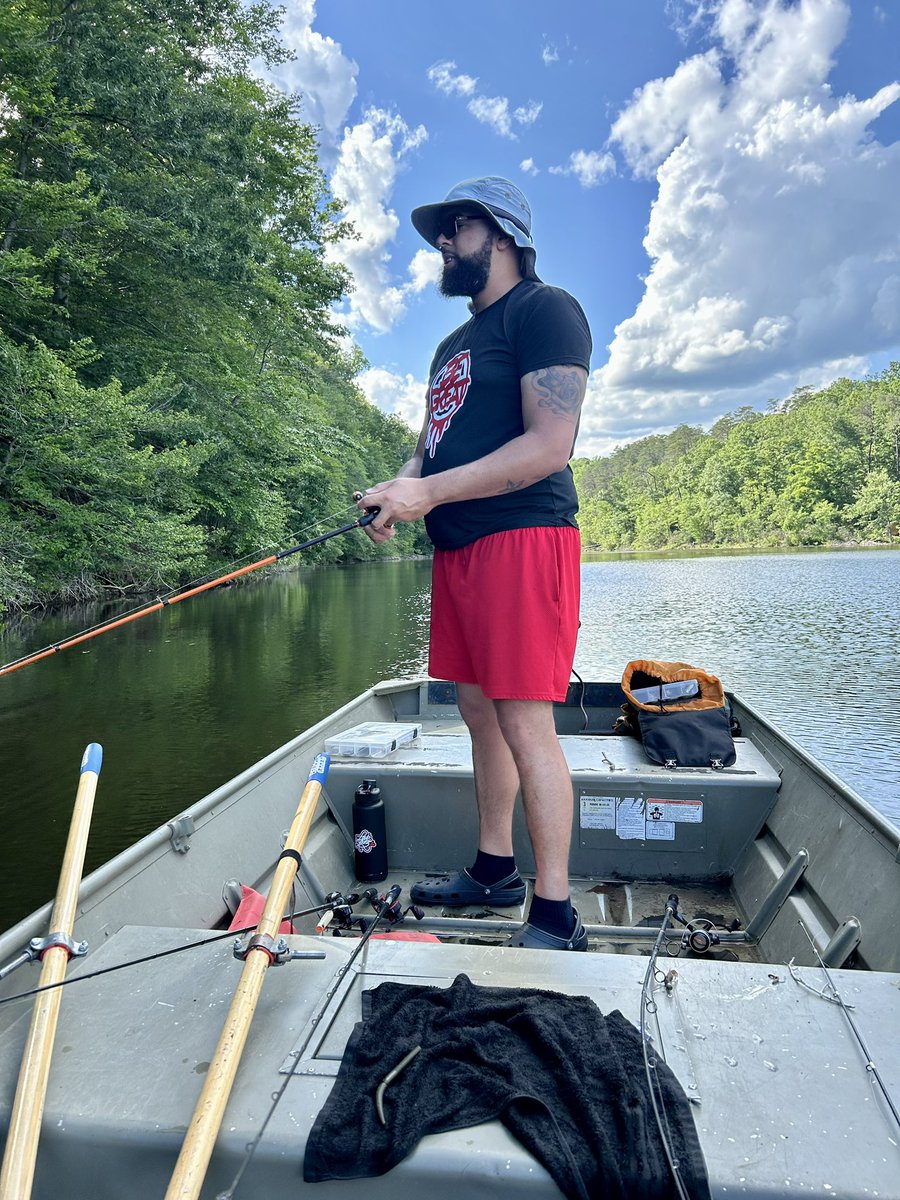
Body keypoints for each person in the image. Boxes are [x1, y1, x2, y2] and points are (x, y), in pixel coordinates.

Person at [358, 176, 591, 951]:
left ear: (500, 234)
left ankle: (556, 913)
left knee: (526, 720)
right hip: (456, 551)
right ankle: (495, 871)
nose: (442, 244)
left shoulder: (545, 310)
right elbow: (432, 441)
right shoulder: (449, 346)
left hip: (525, 538)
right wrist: (400, 491)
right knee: (477, 712)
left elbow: (547, 446)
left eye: (455, 229)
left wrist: (427, 491)